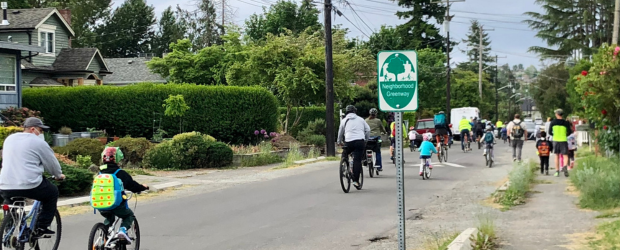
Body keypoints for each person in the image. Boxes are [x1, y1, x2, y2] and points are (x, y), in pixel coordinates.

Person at [0, 117, 65, 236]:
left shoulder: (9, 139)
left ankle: (9, 225)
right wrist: (58, 175)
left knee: (10, 200)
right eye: (40, 131)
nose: (41, 134)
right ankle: (41, 228)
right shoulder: (38, 142)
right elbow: (51, 163)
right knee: (52, 193)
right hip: (30, 184)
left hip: (5, 184)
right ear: (33, 129)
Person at [94, 147, 148, 244]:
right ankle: (122, 230)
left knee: (109, 217)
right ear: (118, 158)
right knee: (129, 215)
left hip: (100, 204)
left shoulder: (100, 173)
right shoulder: (120, 173)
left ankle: (104, 236)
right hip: (116, 204)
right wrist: (143, 187)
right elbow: (133, 186)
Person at [338, 105, 371, 187]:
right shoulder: (361, 119)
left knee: (344, 154)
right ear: (355, 111)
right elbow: (368, 130)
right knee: (357, 160)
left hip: (348, 141)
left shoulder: (344, 120)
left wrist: (339, 141)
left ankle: (344, 166)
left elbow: (340, 132)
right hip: (359, 141)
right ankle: (356, 180)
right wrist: (366, 139)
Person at [549, 109, 573, 177]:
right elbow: (569, 132)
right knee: (565, 155)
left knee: (557, 155)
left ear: (557, 114)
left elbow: (550, 132)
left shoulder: (553, 122)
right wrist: (565, 135)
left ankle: (557, 171)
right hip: (563, 140)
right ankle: (565, 167)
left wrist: (555, 134)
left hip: (556, 140)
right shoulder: (566, 123)